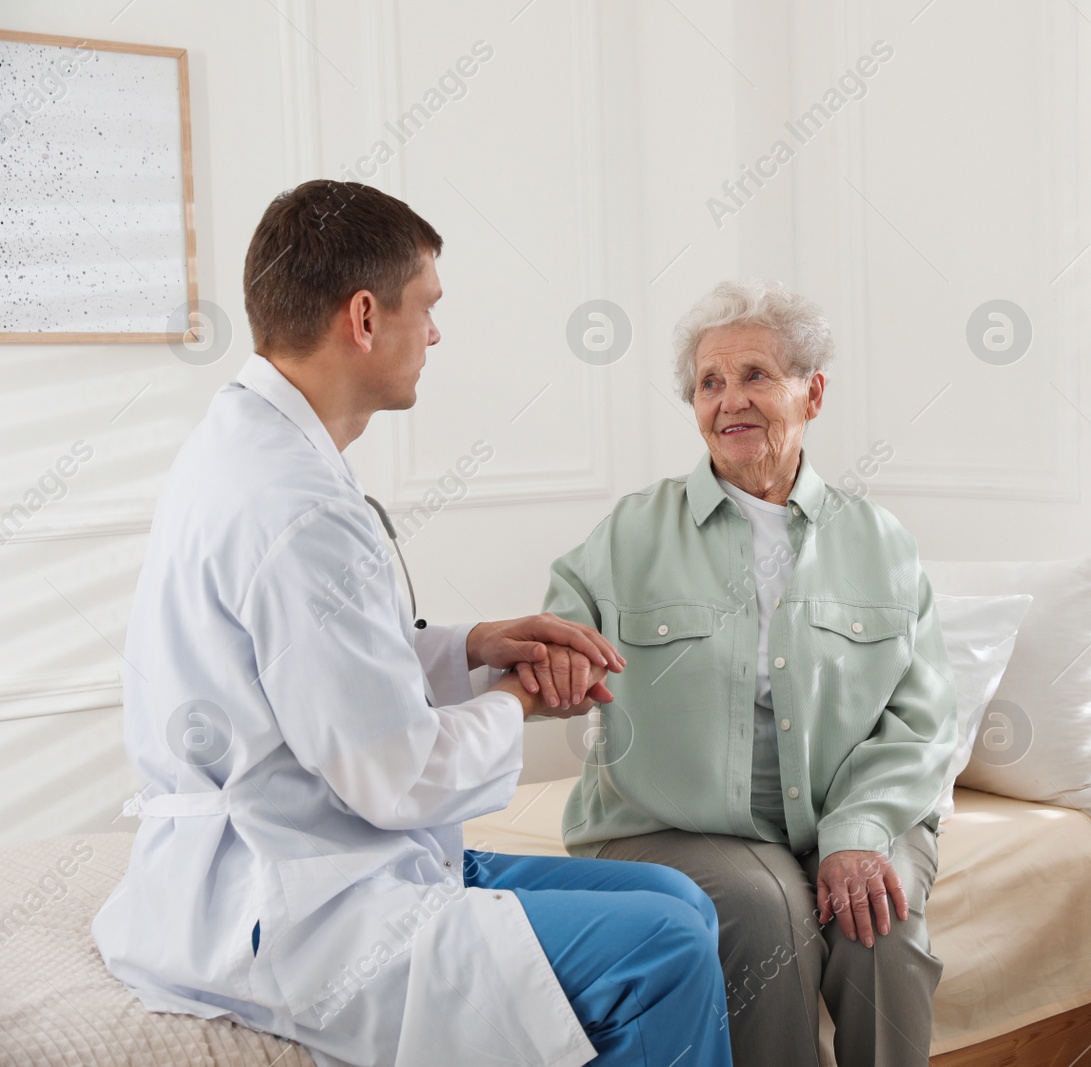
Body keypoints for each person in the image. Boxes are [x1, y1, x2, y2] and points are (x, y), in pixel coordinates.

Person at [92, 180, 734, 1067]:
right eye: (426, 307)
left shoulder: (249, 446)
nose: (434, 334)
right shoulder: (296, 506)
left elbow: (314, 666)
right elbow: (391, 775)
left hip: (325, 853)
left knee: (681, 898)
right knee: (665, 949)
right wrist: (518, 700)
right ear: (364, 316)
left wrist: (473, 647)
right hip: (299, 898)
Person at [545, 280, 958, 1066]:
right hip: (677, 821)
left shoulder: (882, 543)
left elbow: (924, 720)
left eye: (756, 375)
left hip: (856, 807)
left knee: (885, 925)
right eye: (710, 382)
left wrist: (859, 832)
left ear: (814, 391)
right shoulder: (631, 531)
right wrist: (552, 663)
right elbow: (555, 635)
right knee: (767, 913)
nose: (730, 400)